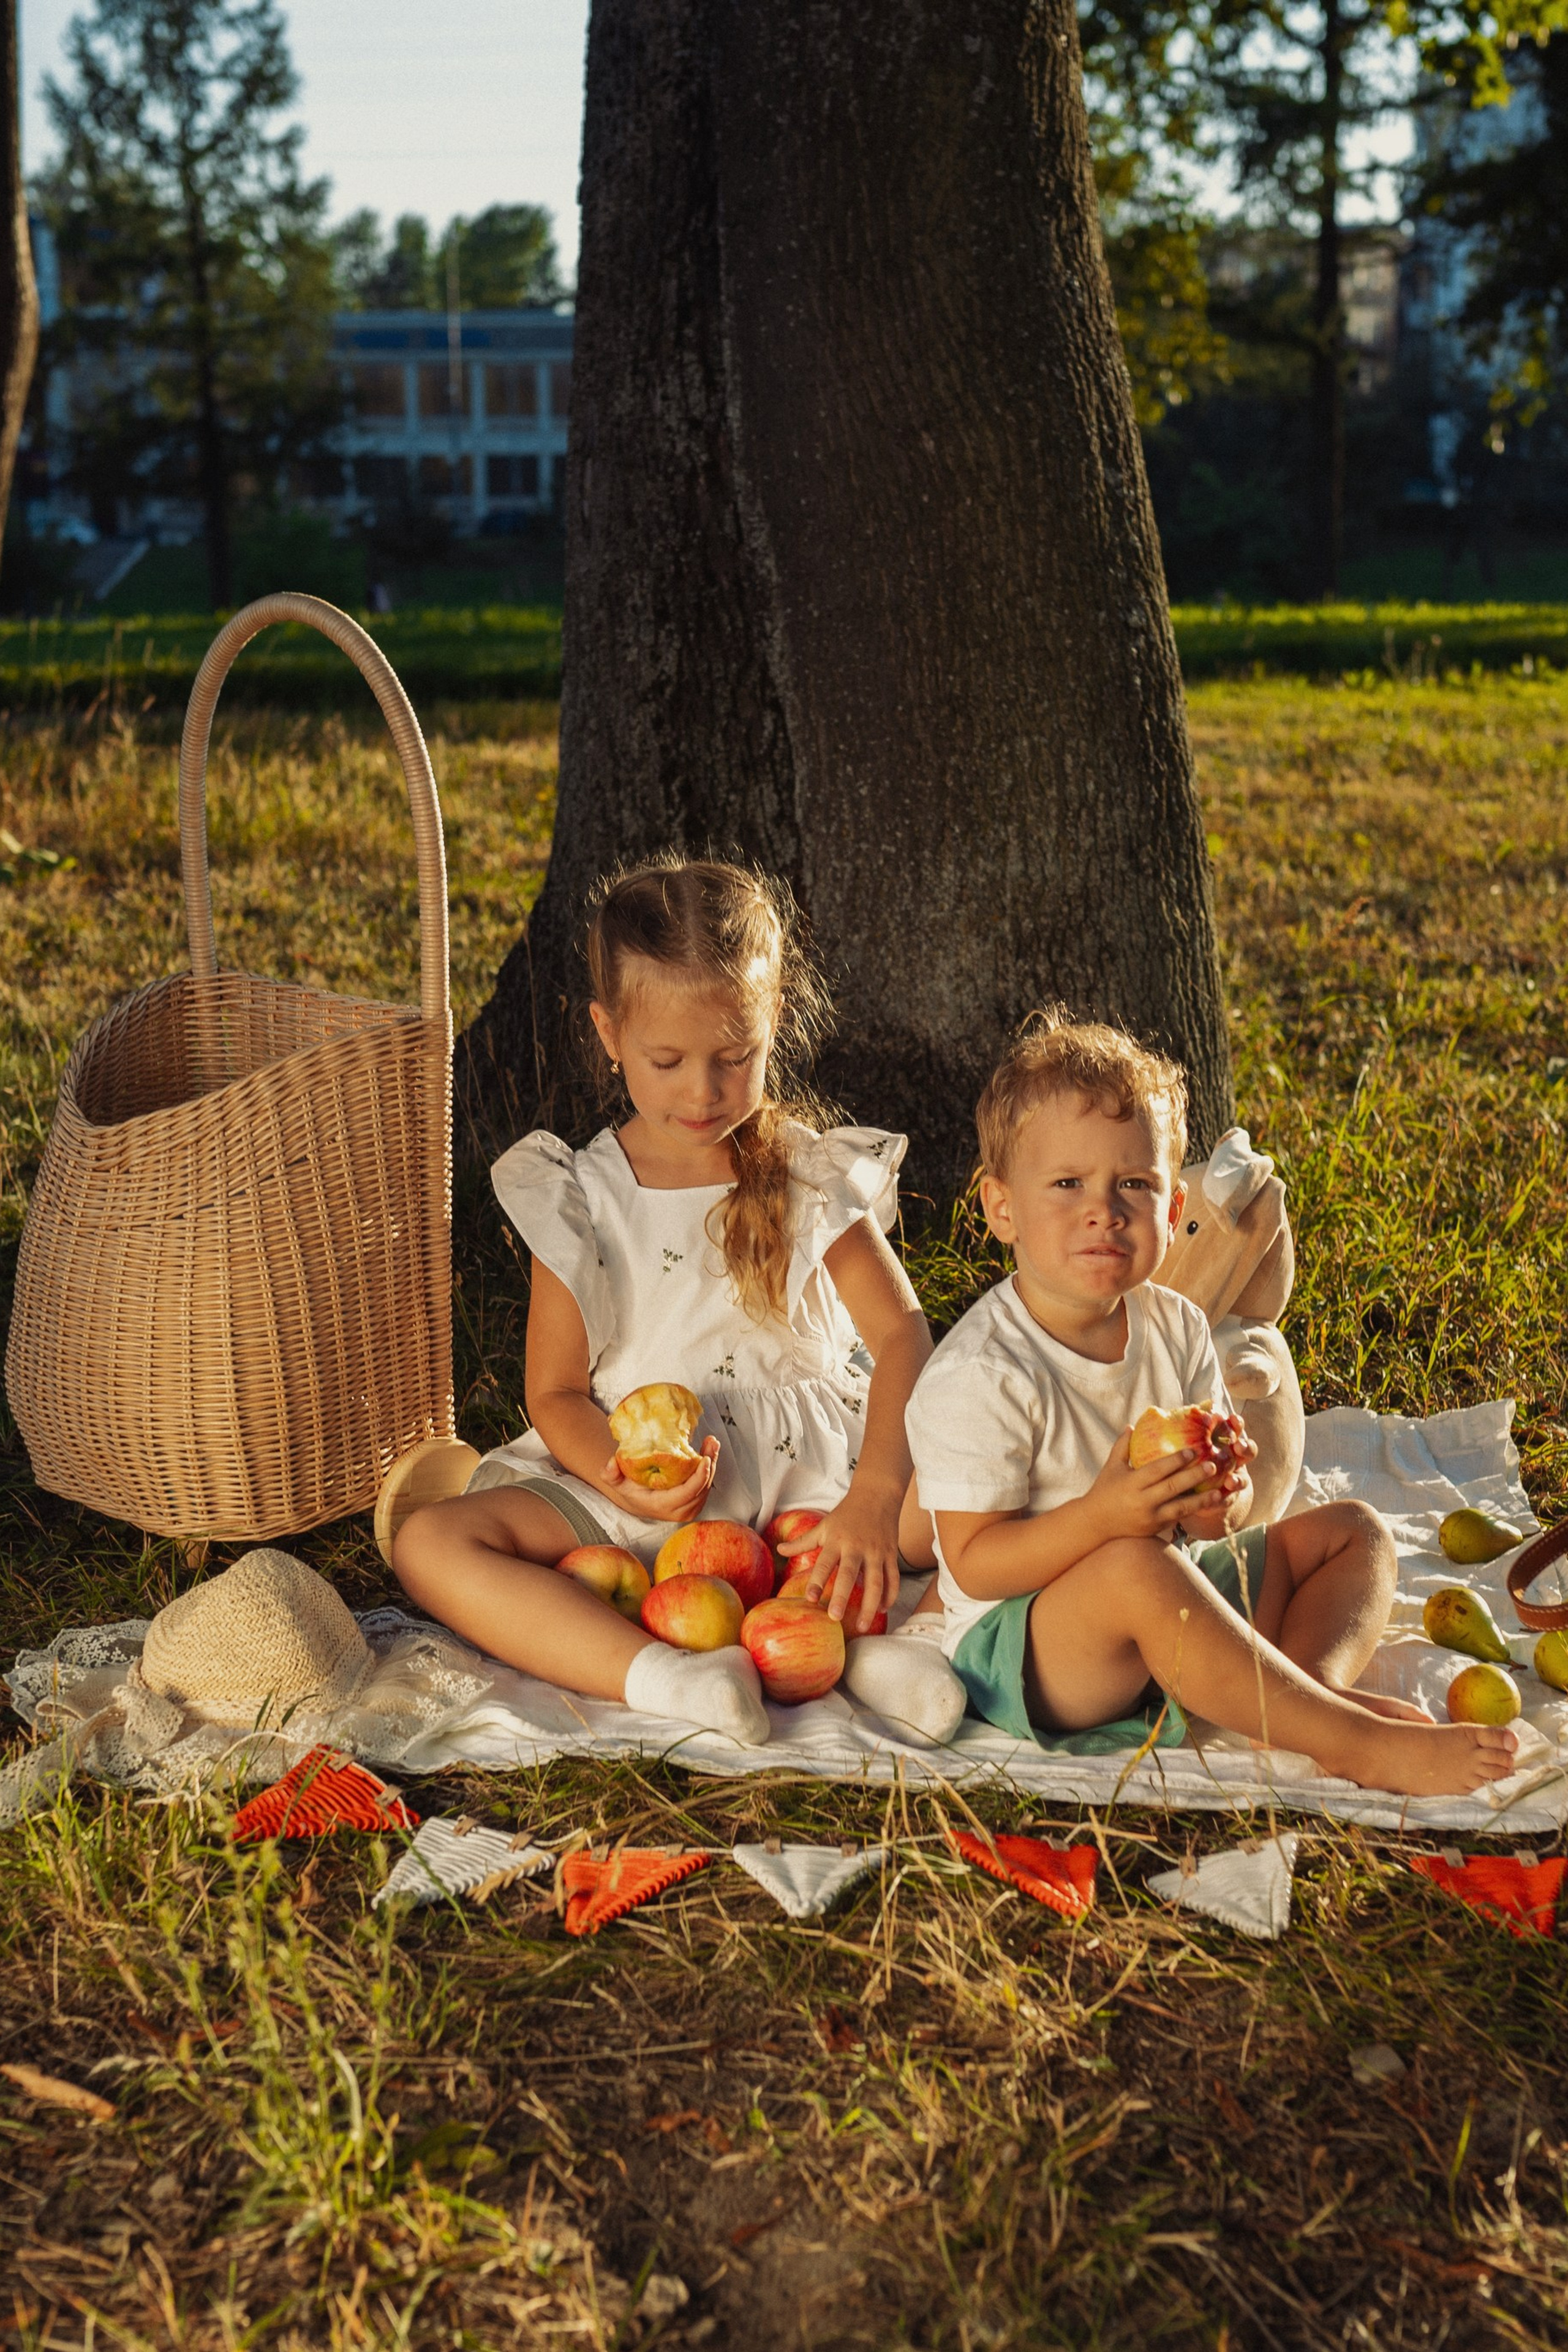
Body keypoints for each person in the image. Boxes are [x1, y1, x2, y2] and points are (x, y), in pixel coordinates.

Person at [393, 856, 959, 1748]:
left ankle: (883, 1653)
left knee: (979, 1492)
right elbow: (556, 1393)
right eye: (668, 1060)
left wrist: (877, 1496)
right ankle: (669, 1677)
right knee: (429, 1544)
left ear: (776, 1023)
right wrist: (618, 1478)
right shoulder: (581, 1194)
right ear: (609, 1033)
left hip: (815, 1483)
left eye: (736, 1058)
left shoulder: (807, 1172)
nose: (704, 1091)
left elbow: (902, 1336)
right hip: (648, 1496)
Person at [901, 1016, 1520, 1797]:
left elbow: (1207, 1525)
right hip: (1029, 1645)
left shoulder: (1176, 1324)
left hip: (1172, 1586)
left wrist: (1215, 1504)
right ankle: (1348, 1739)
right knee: (1131, 1565)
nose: (1104, 1209)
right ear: (1001, 1209)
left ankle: (1306, 1692)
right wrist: (1102, 1518)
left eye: (1134, 1183)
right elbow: (975, 1565)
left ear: (1172, 1208)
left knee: (1351, 1533)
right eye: (1067, 1184)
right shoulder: (980, 1371)